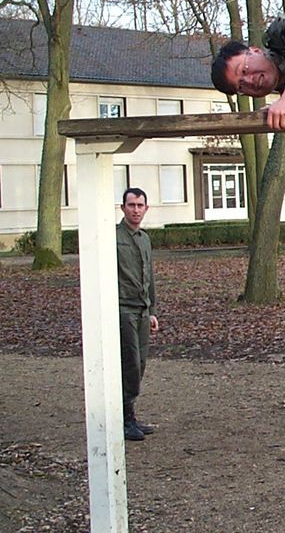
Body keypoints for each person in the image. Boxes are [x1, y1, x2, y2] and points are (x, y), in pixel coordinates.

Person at [117, 188, 159, 442]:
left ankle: (130, 414)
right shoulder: (114, 237)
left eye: (139, 205)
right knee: (129, 362)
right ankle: (124, 419)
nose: (135, 209)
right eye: (131, 205)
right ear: (122, 208)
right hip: (123, 309)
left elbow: (149, 277)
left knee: (140, 363)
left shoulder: (144, 239)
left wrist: (152, 310)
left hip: (142, 311)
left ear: (146, 208)